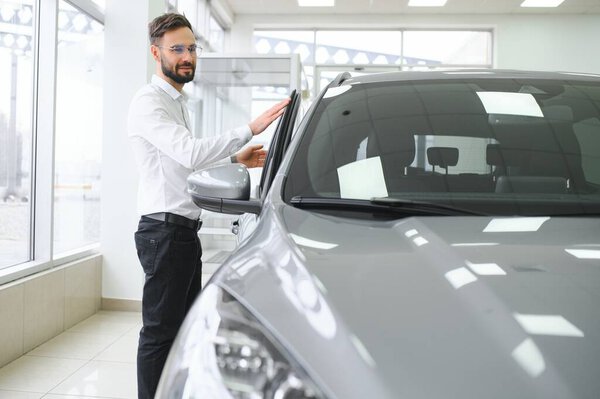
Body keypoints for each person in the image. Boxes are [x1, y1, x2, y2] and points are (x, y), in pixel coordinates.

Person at [127, 13, 289, 399]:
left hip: (181, 232)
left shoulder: (175, 102)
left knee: (181, 329)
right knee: (159, 333)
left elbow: (184, 164)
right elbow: (190, 152)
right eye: (177, 49)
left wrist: (236, 161)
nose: (187, 57)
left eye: (192, 48)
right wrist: (248, 129)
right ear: (156, 52)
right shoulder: (149, 102)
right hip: (163, 232)